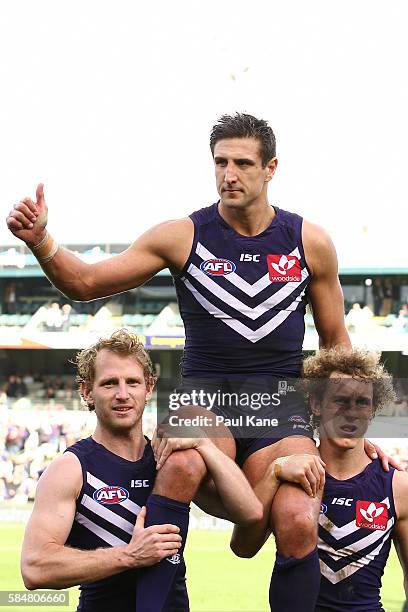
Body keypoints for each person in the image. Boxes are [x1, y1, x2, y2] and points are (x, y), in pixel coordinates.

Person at [9, 113, 388, 611]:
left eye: (243, 164)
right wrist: (42, 240)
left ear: (271, 168)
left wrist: (351, 435)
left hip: (278, 405)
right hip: (203, 398)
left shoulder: (308, 242)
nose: (229, 174)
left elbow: (336, 345)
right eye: (220, 162)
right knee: (183, 460)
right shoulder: (182, 235)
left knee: (299, 514)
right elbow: (85, 283)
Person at [21, 329, 262, 612]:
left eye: (132, 382)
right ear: (87, 392)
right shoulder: (71, 468)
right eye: (110, 383)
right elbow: (35, 568)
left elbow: (250, 514)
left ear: (148, 388)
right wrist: (130, 556)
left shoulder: (168, 460)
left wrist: (205, 446)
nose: (123, 394)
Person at [231, 346, 408, 611]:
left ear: (373, 410)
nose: (351, 412)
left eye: (362, 402)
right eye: (340, 400)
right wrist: (273, 473)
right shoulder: (290, 472)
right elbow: (242, 548)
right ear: (315, 404)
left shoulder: (397, 486)